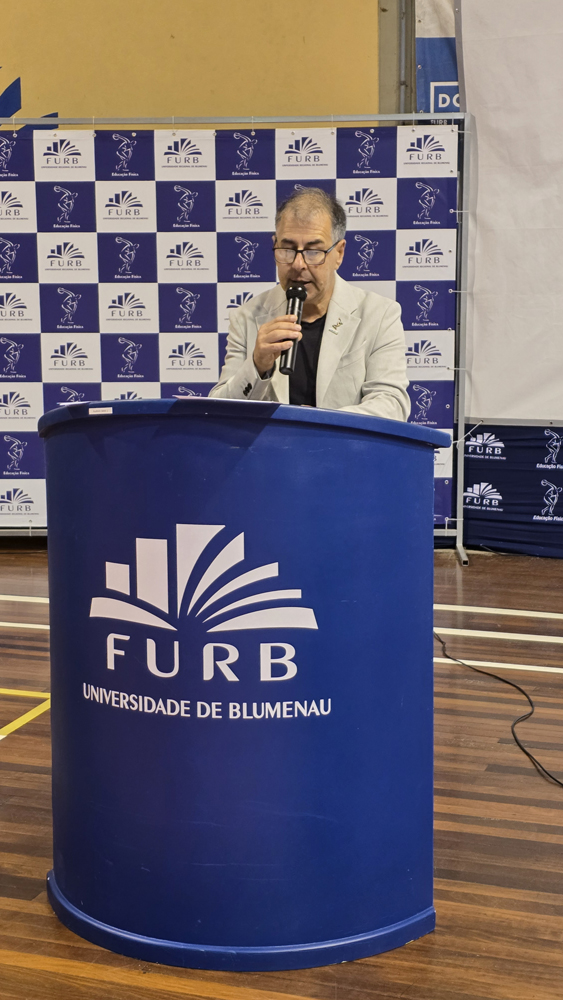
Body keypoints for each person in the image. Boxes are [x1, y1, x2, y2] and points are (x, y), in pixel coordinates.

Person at [210, 187, 409, 420]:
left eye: (313, 252)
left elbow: (392, 405)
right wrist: (256, 365)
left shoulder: (379, 315)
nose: (298, 264)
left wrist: (319, 422)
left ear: (339, 253)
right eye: (287, 249)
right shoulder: (247, 317)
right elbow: (219, 412)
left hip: (342, 444)